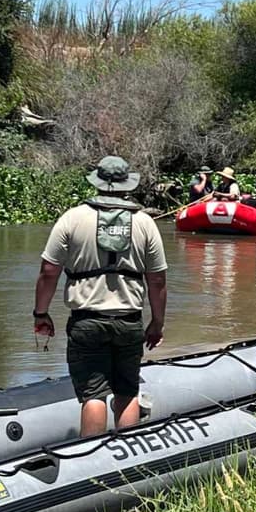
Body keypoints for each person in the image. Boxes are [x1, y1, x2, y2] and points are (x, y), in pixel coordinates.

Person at [33, 156, 168, 438]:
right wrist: (157, 323)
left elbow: (48, 272)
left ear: (97, 182)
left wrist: (41, 314)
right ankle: (126, 453)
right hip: (129, 321)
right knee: (127, 390)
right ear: (126, 186)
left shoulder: (72, 218)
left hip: (86, 322)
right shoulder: (144, 222)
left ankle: (91, 456)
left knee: (93, 394)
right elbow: (157, 280)